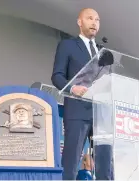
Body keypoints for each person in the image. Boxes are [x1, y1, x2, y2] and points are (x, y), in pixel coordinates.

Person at [52, 8, 113, 180]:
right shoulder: (68, 45)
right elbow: (57, 76)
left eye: (97, 20)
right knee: (71, 163)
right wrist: (72, 88)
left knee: (105, 164)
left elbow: (108, 80)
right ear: (80, 22)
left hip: (101, 114)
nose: (94, 22)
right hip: (77, 111)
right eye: (90, 18)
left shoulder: (104, 52)